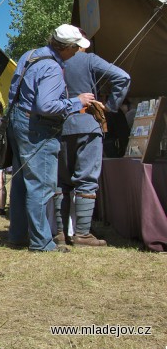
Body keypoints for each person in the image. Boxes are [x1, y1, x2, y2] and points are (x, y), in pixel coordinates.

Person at [6, 24, 94, 253]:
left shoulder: (30, 55)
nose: (76, 52)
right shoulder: (52, 67)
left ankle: (18, 235)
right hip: (37, 128)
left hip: (18, 121)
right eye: (75, 48)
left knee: (21, 183)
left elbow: (13, 91)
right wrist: (78, 102)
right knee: (41, 185)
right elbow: (46, 105)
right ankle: (41, 242)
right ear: (66, 47)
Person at [54, 44, 130, 246]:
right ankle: (82, 234)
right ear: (78, 45)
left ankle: (61, 233)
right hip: (86, 124)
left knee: (61, 182)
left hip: (58, 127)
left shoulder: (53, 61)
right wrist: (112, 106)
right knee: (86, 179)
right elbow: (123, 77)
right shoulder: (88, 59)